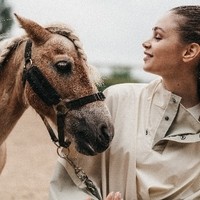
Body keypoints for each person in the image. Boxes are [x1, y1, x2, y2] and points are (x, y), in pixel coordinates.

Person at [49, 5, 200, 200]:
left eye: (158, 37)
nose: (146, 43)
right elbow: (70, 180)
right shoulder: (116, 101)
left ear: (189, 51)